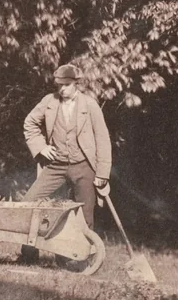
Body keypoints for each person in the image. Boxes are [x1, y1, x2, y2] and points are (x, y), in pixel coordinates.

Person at [21, 64, 112, 229]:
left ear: (76, 83)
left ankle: (81, 254)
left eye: (66, 85)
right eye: (59, 85)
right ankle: (28, 254)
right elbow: (30, 123)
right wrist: (41, 147)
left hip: (84, 167)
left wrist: (102, 173)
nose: (62, 89)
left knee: (85, 217)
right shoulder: (49, 101)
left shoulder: (90, 104)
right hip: (56, 166)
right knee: (28, 203)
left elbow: (103, 139)